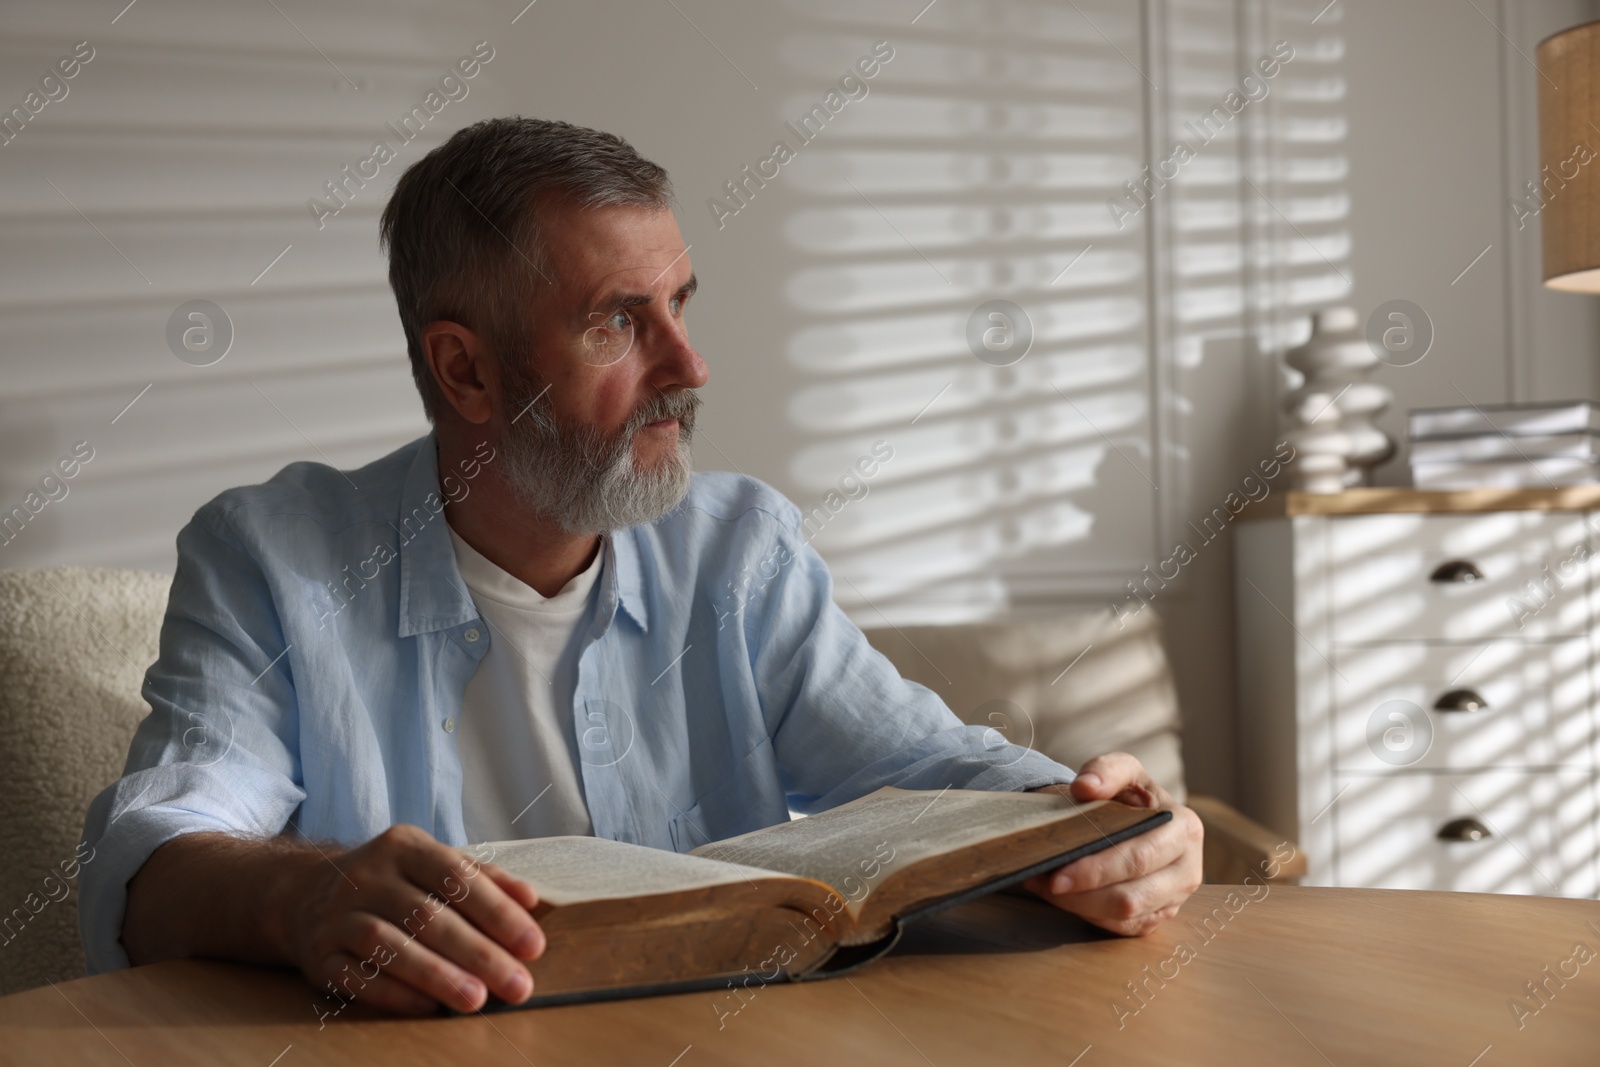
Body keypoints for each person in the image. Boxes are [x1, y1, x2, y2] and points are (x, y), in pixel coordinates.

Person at [80, 117, 1202, 1015]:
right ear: (465, 371)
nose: (688, 363)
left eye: (678, 304)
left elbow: (928, 764)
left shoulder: (739, 550)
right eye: (618, 324)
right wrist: (302, 892)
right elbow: (152, 861)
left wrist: (1102, 826)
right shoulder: (270, 556)